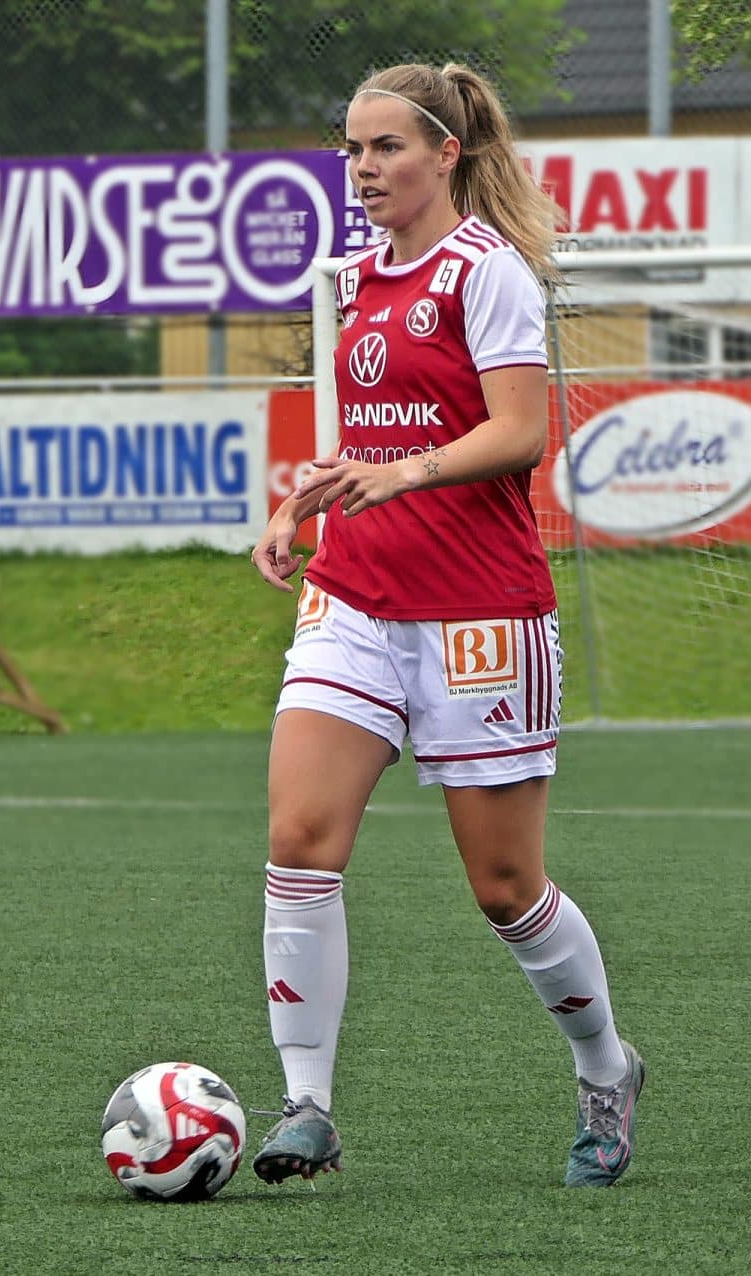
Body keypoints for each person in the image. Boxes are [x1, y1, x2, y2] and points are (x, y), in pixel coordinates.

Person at [248, 63, 643, 1188]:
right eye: (352, 149)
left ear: (446, 154)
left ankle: (606, 1069)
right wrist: (300, 503)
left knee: (506, 887)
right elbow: (363, 441)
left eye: (386, 148)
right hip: (354, 599)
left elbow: (521, 433)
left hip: (479, 611)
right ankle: (308, 1107)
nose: (362, 169)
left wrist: (405, 471)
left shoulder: (488, 270)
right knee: (299, 841)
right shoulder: (355, 278)